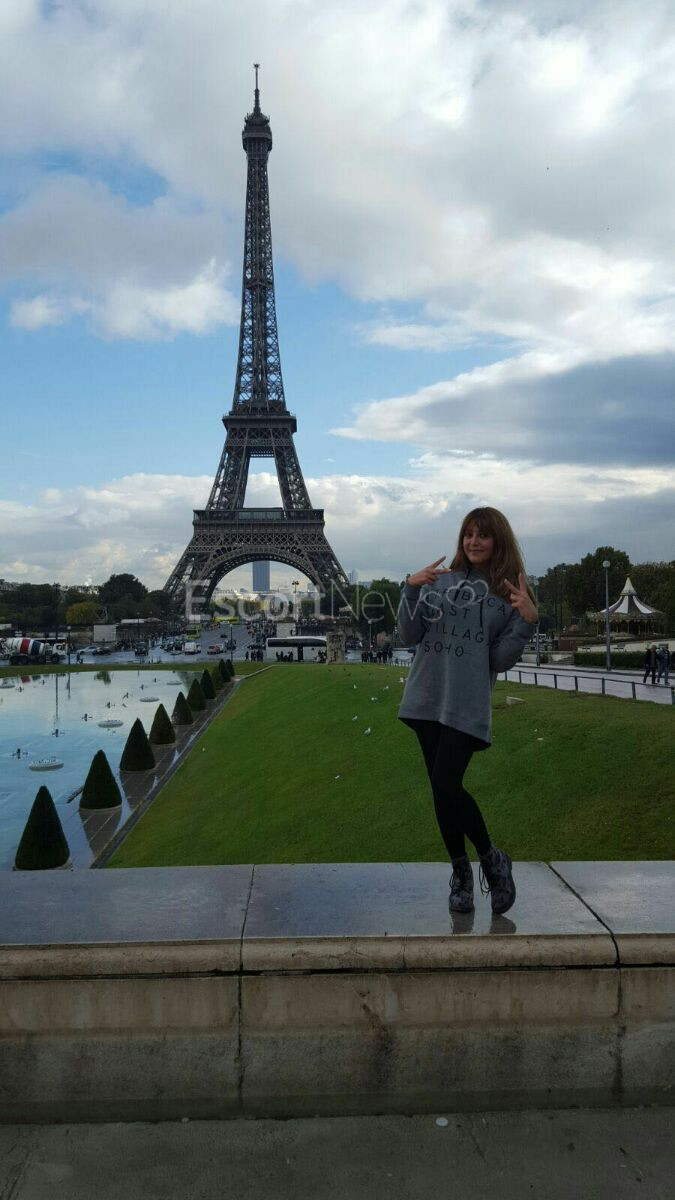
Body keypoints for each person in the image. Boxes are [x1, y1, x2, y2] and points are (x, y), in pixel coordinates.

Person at [396, 506, 538, 916]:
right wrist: (410, 589)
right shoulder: (439, 582)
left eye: (483, 534)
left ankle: (491, 858)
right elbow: (408, 635)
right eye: (468, 534)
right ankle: (461, 872)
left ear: (498, 540)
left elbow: (498, 661)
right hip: (426, 697)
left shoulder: (510, 595)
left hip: (466, 702)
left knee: (446, 783)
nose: (473, 541)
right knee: (442, 791)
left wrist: (527, 621)